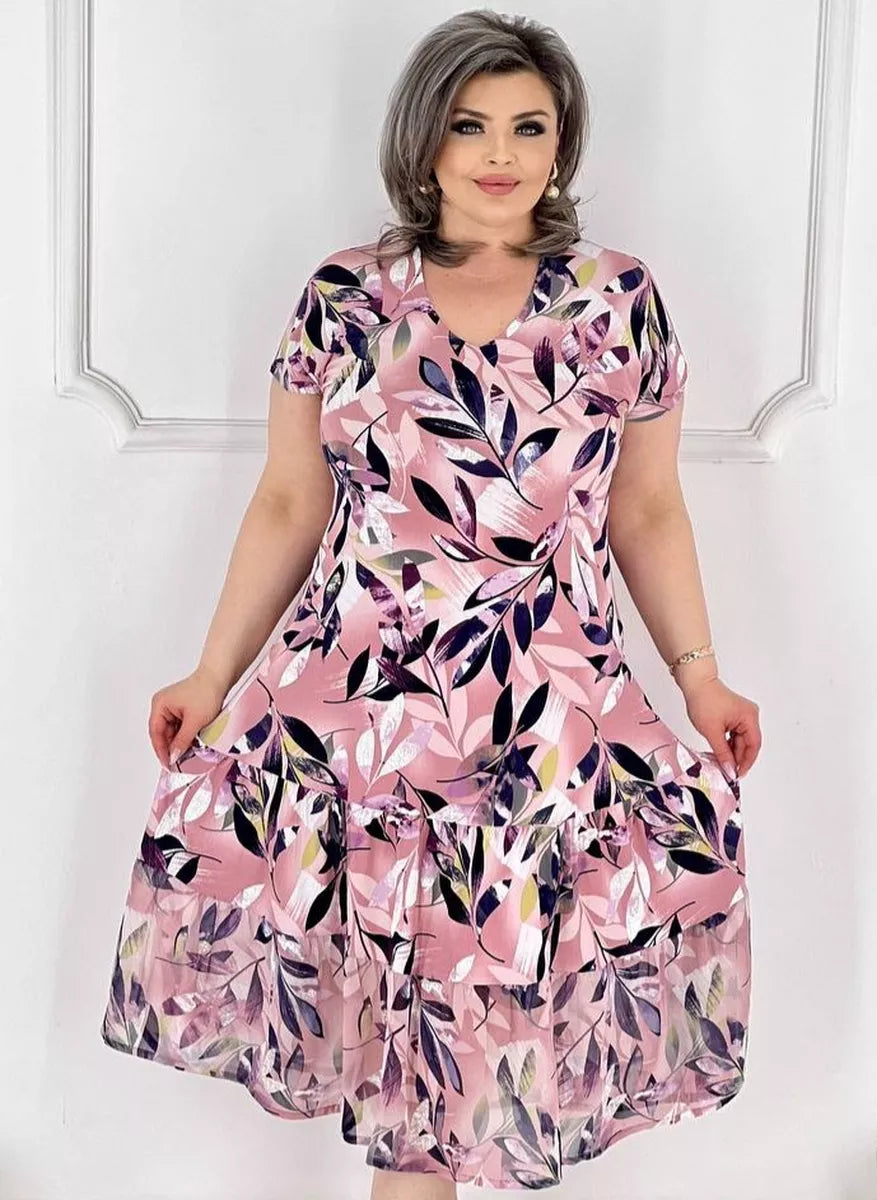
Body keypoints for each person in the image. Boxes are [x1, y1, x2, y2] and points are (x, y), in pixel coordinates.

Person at [100, 10, 761, 1196]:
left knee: (475, 1058)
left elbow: (650, 512)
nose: (499, 153)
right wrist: (210, 673)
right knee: (414, 1077)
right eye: (469, 125)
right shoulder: (345, 297)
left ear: (562, 145)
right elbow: (289, 502)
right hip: (362, 716)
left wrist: (700, 675)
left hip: (542, 724)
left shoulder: (618, 302)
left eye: (528, 126)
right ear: (423, 139)